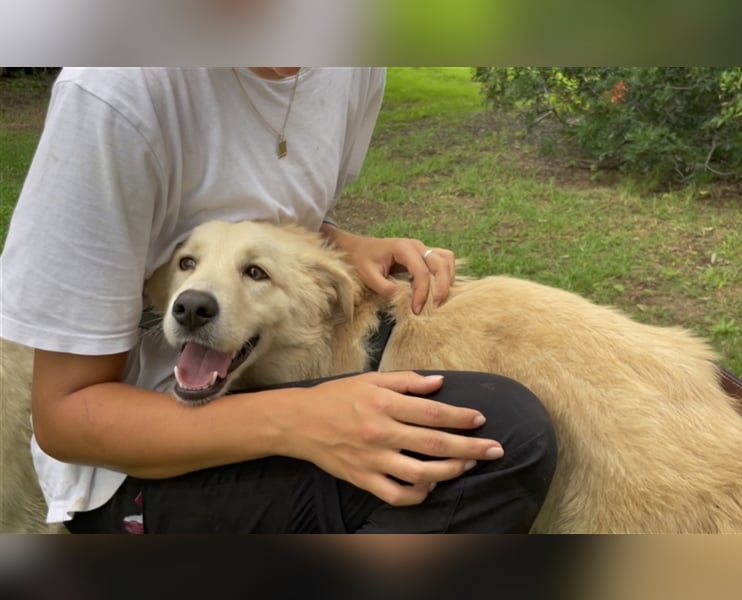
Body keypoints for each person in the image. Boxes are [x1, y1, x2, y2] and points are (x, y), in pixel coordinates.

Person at [0, 67, 557, 533]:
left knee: (478, 411)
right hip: (131, 470)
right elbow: (64, 418)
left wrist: (338, 243)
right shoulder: (115, 93)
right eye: (185, 264)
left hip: (261, 392)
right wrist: (300, 419)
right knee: (505, 427)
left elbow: (262, 205)